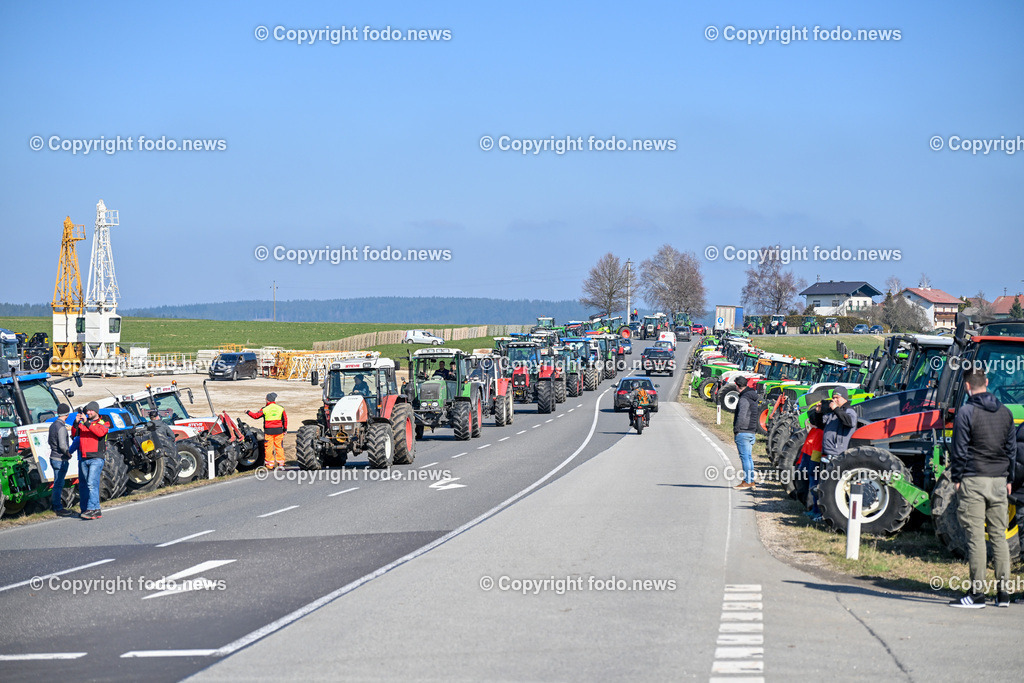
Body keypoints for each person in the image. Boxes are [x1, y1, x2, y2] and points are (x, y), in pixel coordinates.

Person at [947, 369, 1015, 609]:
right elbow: (1011, 450)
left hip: (974, 479)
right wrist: (1009, 479)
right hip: (999, 481)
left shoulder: (966, 412)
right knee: (999, 537)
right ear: (987, 383)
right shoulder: (1006, 413)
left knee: (975, 538)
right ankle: (1004, 594)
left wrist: (957, 477)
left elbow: (959, 449)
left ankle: (977, 595)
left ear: (967, 387)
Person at [806, 386, 857, 521]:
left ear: (844, 398)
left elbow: (849, 422)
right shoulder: (833, 413)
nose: (834, 400)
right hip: (825, 453)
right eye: (833, 398)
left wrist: (835, 409)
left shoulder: (849, 411)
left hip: (837, 454)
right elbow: (819, 425)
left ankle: (824, 515)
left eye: (837, 398)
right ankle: (817, 511)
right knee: (820, 483)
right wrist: (818, 412)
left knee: (831, 488)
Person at [73, 402, 108, 520]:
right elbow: (74, 435)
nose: (88, 413)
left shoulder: (103, 423)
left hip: (96, 458)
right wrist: (76, 423)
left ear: (96, 411)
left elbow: (100, 432)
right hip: (84, 458)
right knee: (83, 485)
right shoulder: (84, 423)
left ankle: (92, 509)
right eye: (87, 411)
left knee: (91, 484)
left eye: (90, 411)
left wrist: (87, 422)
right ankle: (89, 509)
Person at [732, 376, 759, 490]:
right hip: (751, 431)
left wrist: (736, 429)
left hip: (743, 431)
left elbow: (741, 416)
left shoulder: (744, 399)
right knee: (748, 457)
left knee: (745, 458)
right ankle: (751, 481)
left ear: (737, 386)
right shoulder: (753, 397)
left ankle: (747, 481)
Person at [248, 393, 288, 470]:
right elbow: (285, 419)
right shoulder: (281, 408)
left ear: (267, 400)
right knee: (279, 447)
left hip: (268, 432)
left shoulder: (264, 409)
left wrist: (248, 412)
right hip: (279, 431)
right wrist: (285, 429)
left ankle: (270, 465)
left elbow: (255, 416)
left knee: (268, 448)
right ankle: (281, 464)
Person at [48, 404, 75, 516]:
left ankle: (55, 505)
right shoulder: (62, 427)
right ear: (67, 414)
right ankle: (58, 507)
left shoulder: (52, 425)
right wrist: (68, 454)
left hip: (53, 456)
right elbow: (63, 445)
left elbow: (50, 441)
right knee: (59, 484)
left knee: (56, 483)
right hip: (60, 458)